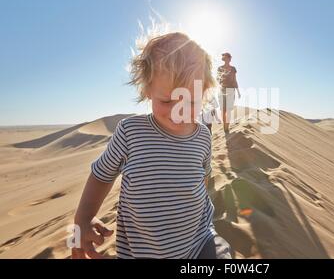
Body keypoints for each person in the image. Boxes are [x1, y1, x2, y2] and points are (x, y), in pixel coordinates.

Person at [72, 32, 232, 259]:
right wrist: (83, 219)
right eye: (166, 100)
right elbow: (101, 175)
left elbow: (202, 179)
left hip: (200, 242)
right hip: (142, 252)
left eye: (192, 101)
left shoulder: (203, 137)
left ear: (205, 92)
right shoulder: (131, 132)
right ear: (147, 90)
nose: (179, 112)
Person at [217, 52, 240, 133]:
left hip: (231, 90)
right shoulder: (219, 68)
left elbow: (234, 80)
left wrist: (238, 91)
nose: (230, 59)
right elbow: (217, 79)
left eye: (230, 58)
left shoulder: (233, 68)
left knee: (229, 110)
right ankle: (224, 126)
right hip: (222, 90)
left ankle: (227, 127)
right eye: (228, 57)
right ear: (225, 58)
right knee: (223, 110)